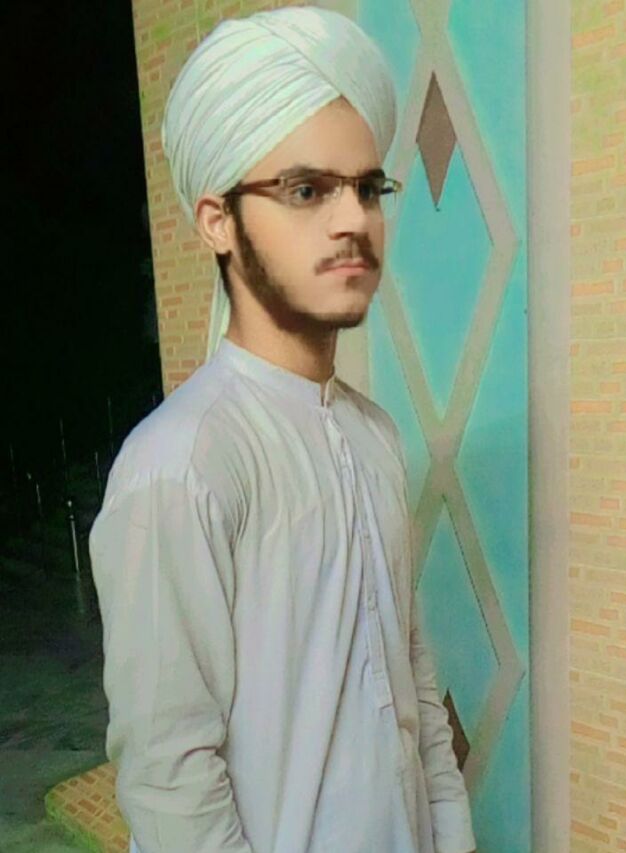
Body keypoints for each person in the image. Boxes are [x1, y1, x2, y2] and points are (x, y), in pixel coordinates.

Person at [89, 6, 476, 852]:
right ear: (217, 220)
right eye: (306, 190)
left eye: (367, 188)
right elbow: (172, 779)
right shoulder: (180, 465)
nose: (352, 220)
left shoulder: (374, 437)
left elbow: (413, 684)